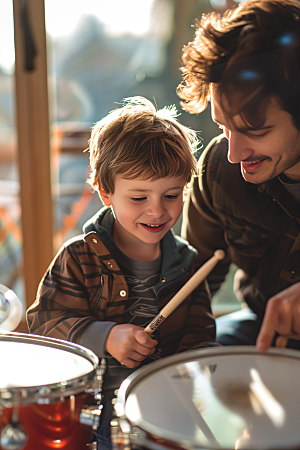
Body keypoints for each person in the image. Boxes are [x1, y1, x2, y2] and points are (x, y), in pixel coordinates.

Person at [26, 97, 217, 449]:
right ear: (105, 192)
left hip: (167, 409)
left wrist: (198, 369)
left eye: (171, 195)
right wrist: (106, 336)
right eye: (139, 198)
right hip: (93, 411)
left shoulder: (189, 263)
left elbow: (199, 332)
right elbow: (44, 322)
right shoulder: (78, 256)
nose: (157, 211)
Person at [177, 0, 300, 353]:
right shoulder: (219, 166)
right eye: (224, 127)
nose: (234, 154)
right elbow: (194, 281)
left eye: (255, 130)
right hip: (259, 329)